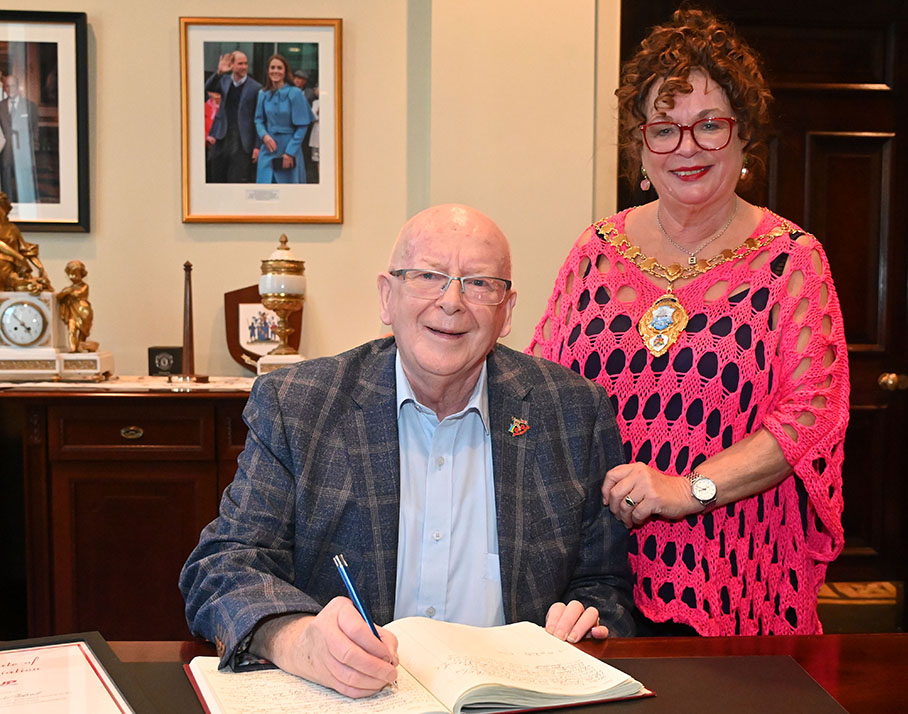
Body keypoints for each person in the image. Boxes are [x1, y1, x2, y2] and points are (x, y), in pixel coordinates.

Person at [180, 204, 634, 697]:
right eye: (428, 276)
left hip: (510, 703)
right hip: (352, 702)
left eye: (479, 283)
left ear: (506, 311)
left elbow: (604, 585)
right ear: (386, 297)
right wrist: (297, 640)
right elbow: (222, 566)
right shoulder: (300, 405)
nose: (452, 301)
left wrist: (587, 624)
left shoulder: (571, 411)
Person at [529, 8, 849, 637]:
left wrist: (688, 489)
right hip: (594, 584)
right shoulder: (593, 254)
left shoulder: (791, 260)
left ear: (742, 135)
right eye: (665, 129)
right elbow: (541, 399)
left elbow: (810, 417)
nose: (688, 148)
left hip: (738, 580)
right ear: (640, 145)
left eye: (709, 125)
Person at [254, 54, 314, 184]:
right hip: (268, 149)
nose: (275, 71)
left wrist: (290, 152)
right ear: (268, 70)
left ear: (285, 71)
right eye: (272, 67)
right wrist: (264, 136)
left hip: (289, 149)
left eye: (279, 68)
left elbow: (303, 126)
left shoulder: (295, 93)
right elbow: (258, 120)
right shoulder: (262, 94)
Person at [205, 51, 262, 183]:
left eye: (246, 63)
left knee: (236, 181)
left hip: (242, 143)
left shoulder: (255, 87)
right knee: (217, 179)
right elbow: (208, 87)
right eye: (240, 63)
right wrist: (219, 72)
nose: (244, 67)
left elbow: (258, 118)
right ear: (232, 65)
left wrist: (257, 146)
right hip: (221, 139)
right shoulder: (224, 81)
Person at [0, 191, 51, 293]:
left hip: (10, 268)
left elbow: (26, 249)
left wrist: (40, 268)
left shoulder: (12, 229)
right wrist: (18, 257)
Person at [0, 75, 39, 203]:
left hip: (23, 152)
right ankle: (8, 207)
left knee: (24, 180)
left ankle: (25, 205)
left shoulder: (30, 106)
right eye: (7, 86)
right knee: (6, 179)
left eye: (13, 85)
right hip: (5, 151)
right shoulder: (0, 106)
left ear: (18, 87)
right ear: (4, 88)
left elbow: (34, 129)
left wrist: (32, 147)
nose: (10, 88)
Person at [56, 260, 97, 352]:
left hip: (83, 311)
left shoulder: (84, 286)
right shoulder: (68, 289)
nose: (73, 277)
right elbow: (59, 297)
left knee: (83, 331)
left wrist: (69, 292)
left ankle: (80, 346)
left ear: (81, 275)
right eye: (71, 274)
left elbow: (78, 294)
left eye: (76, 274)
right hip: (72, 312)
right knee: (72, 328)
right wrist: (65, 292)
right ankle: (73, 347)